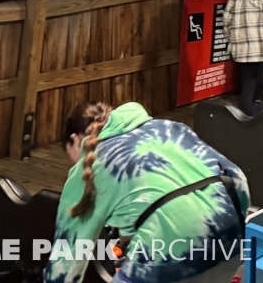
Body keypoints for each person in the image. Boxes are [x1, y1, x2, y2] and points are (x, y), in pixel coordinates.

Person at [45, 101, 249, 283]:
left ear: (74, 139)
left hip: (167, 257)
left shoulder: (91, 166)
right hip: (229, 241)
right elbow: (236, 177)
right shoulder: (168, 128)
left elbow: (66, 259)